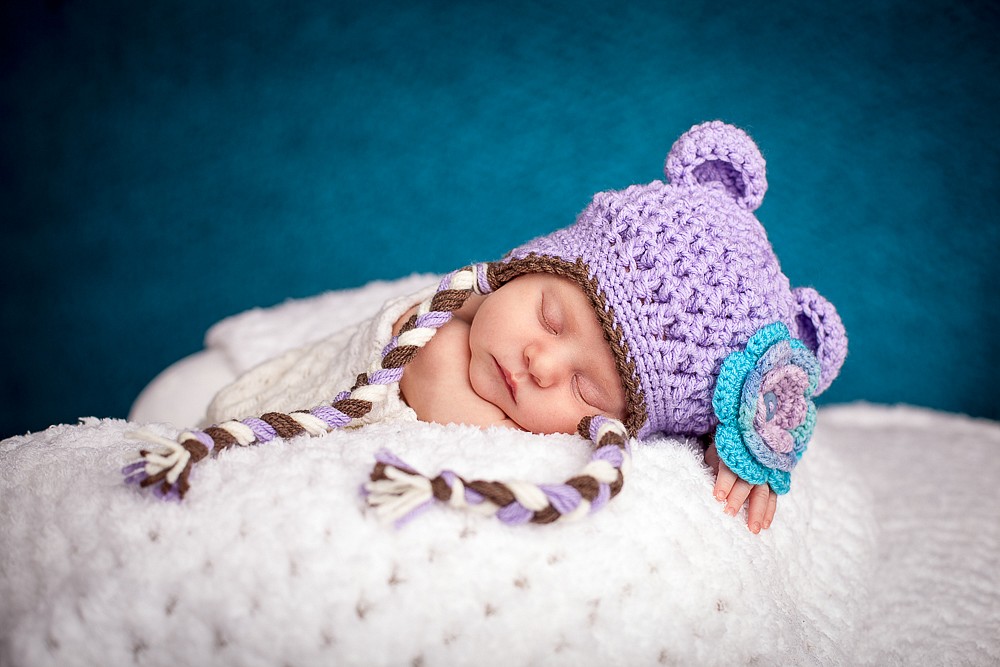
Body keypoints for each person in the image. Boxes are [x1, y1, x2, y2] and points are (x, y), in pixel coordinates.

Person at [125, 121, 848, 533]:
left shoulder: (546, 390)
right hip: (229, 407)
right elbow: (444, 386)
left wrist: (729, 439)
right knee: (169, 397)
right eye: (551, 316)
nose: (541, 362)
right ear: (526, 265)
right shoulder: (439, 337)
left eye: (586, 389)